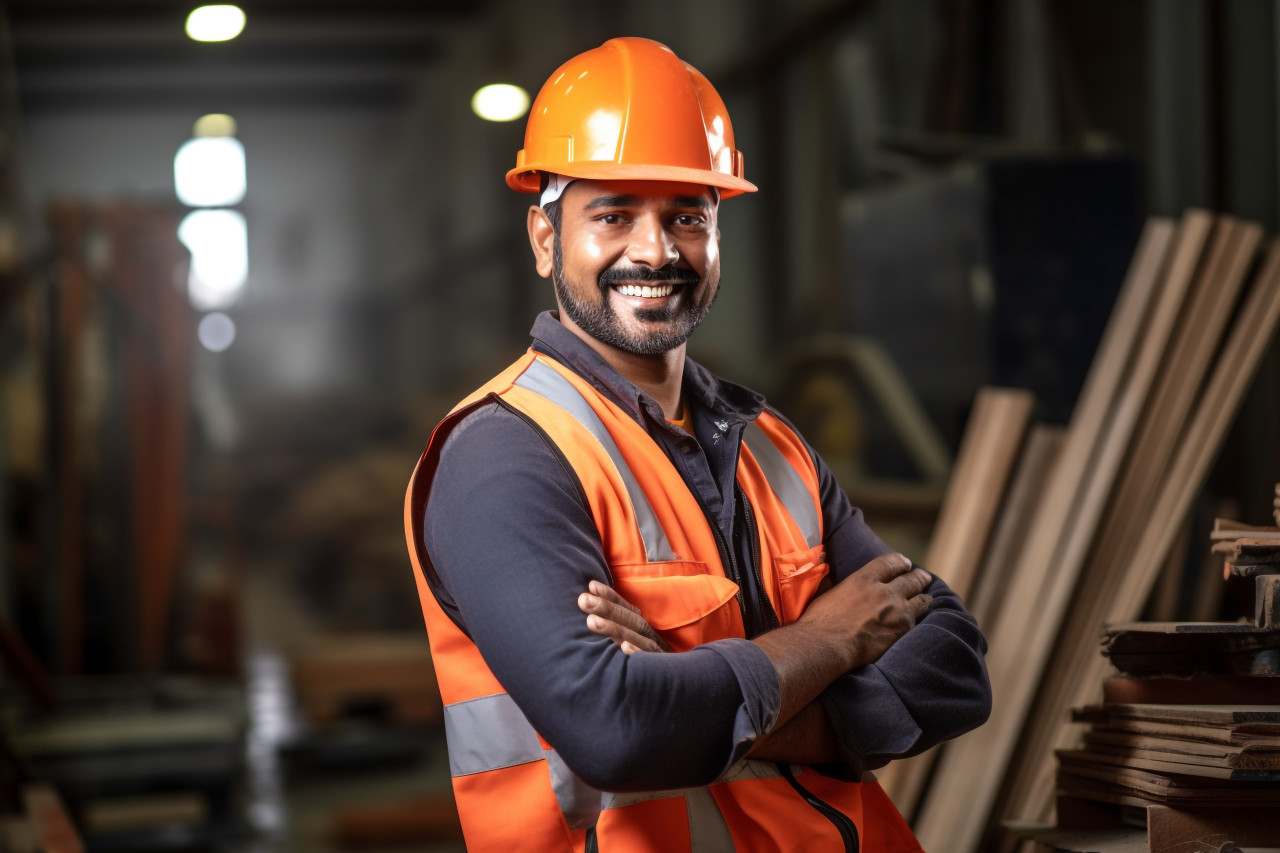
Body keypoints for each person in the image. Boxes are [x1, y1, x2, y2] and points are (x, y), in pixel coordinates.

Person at [404, 36, 991, 852]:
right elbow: (617, 732)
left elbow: (957, 669)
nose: (654, 250)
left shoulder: (773, 447)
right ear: (545, 238)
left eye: (687, 215)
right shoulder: (504, 454)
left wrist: (695, 686)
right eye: (612, 214)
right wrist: (826, 641)